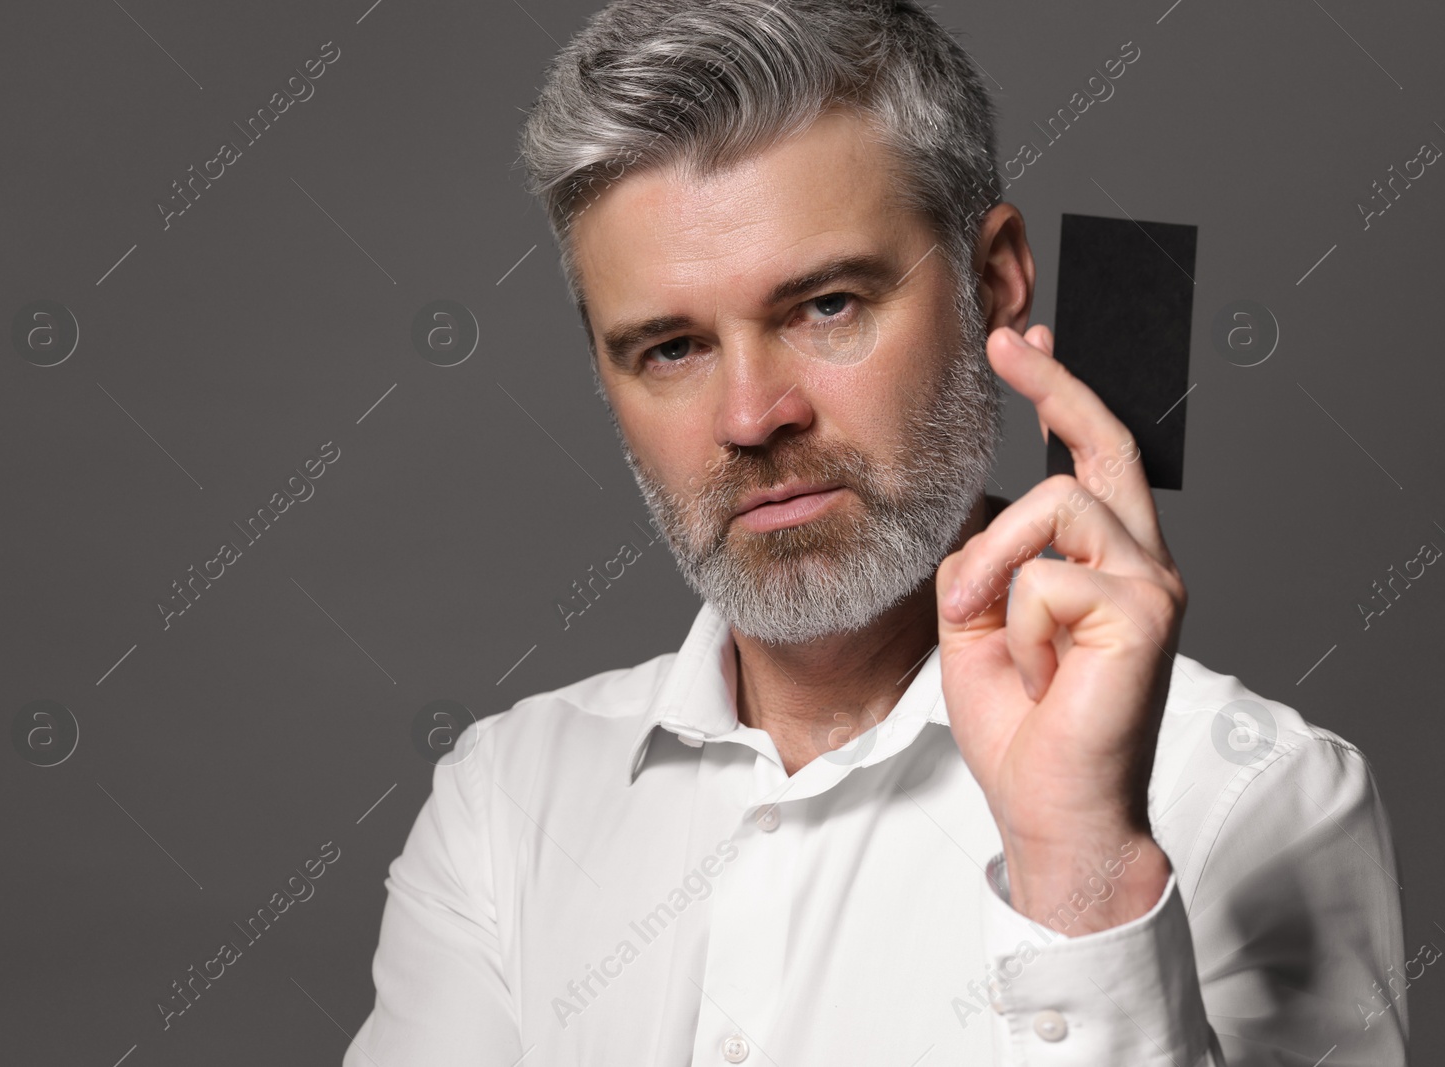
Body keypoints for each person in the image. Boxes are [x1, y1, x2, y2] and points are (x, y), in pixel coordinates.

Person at [344, 1, 1407, 1062]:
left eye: (826, 306)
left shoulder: (1248, 793)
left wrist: (1083, 875)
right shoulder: (504, 801)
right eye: (669, 347)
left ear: (990, 280)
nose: (752, 417)